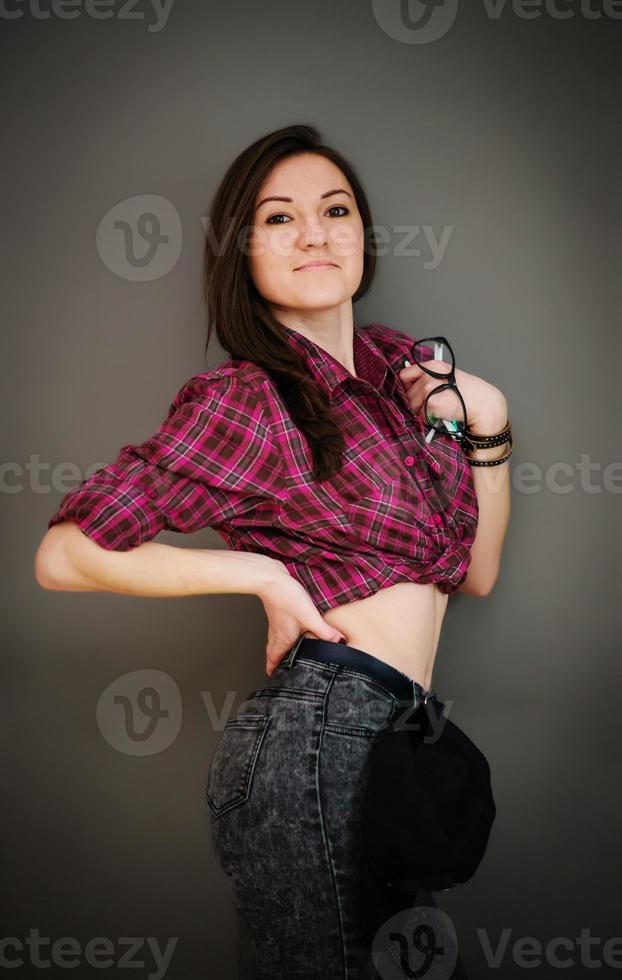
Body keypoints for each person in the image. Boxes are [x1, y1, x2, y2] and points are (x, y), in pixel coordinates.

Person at [35, 124, 512, 979]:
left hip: (401, 737)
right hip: (316, 735)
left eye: (334, 210)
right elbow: (66, 555)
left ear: (363, 233)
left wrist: (488, 418)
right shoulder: (251, 399)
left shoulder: (402, 378)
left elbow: (473, 572)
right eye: (279, 218)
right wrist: (258, 572)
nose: (316, 233)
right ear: (242, 253)